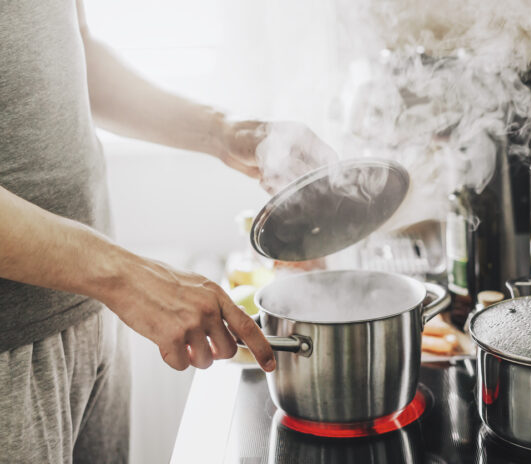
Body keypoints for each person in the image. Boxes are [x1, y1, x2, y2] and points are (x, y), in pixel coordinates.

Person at [0, 1, 336, 462]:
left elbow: (72, 53)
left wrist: (221, 130)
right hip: (11, 344)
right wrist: (123, 276)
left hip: (89, 309)